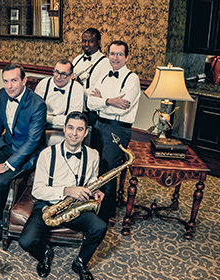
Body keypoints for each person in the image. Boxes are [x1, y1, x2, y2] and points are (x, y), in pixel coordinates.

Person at [19, 111, 107, 280]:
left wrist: (96, 190)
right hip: (48, 205)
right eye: (71, 128)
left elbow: (91, 181)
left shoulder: (93, 155)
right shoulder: (47, 154)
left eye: (79, 129)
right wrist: (66, 190)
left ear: (86, 132)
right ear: (64, 128)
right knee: (26, 241)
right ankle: (44, 253)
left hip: (75, 208)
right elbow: (37, 190)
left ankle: (80, 263)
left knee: (100, 227)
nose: (74, 133)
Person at [0, 63, 47, 244]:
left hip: (26, 154)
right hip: (6, 144)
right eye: (6, 81)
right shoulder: (3, 94)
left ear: (24, 81)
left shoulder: (38, 105)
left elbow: (31, 143)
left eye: (14, 80)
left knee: (1, 180)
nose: (9, 86)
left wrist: (6, 165)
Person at [88, 40, 141, 222]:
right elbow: (90, 103)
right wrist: (110, 101)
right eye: (112, 53)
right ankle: (92, 204)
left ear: (127, 57)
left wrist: (102, 102)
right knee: (94, 165)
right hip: (99, 125)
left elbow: (123, 108)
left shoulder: (132, 79)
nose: (115, 57)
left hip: (117, 129)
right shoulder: (103, 76)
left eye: (119, 54)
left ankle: (106, 212)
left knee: (109, 170)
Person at [72, 28, 110, 128]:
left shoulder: (105, 63)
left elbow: (100, 92)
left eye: (90, 41)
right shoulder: (77, 59)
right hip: (75, 107)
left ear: (99, 42)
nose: (86, 44)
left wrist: (79, 88)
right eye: (84, 41)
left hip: (92, 112)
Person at [34, 59, 84, 129]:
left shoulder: (77, 88)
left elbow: (73, 119)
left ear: (71, 76)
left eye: (63, 74)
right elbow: (35, 113)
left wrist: (47, 118)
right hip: (41, 126)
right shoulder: (43, 84)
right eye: (56, 72)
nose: (58, 77)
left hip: (65, 129)